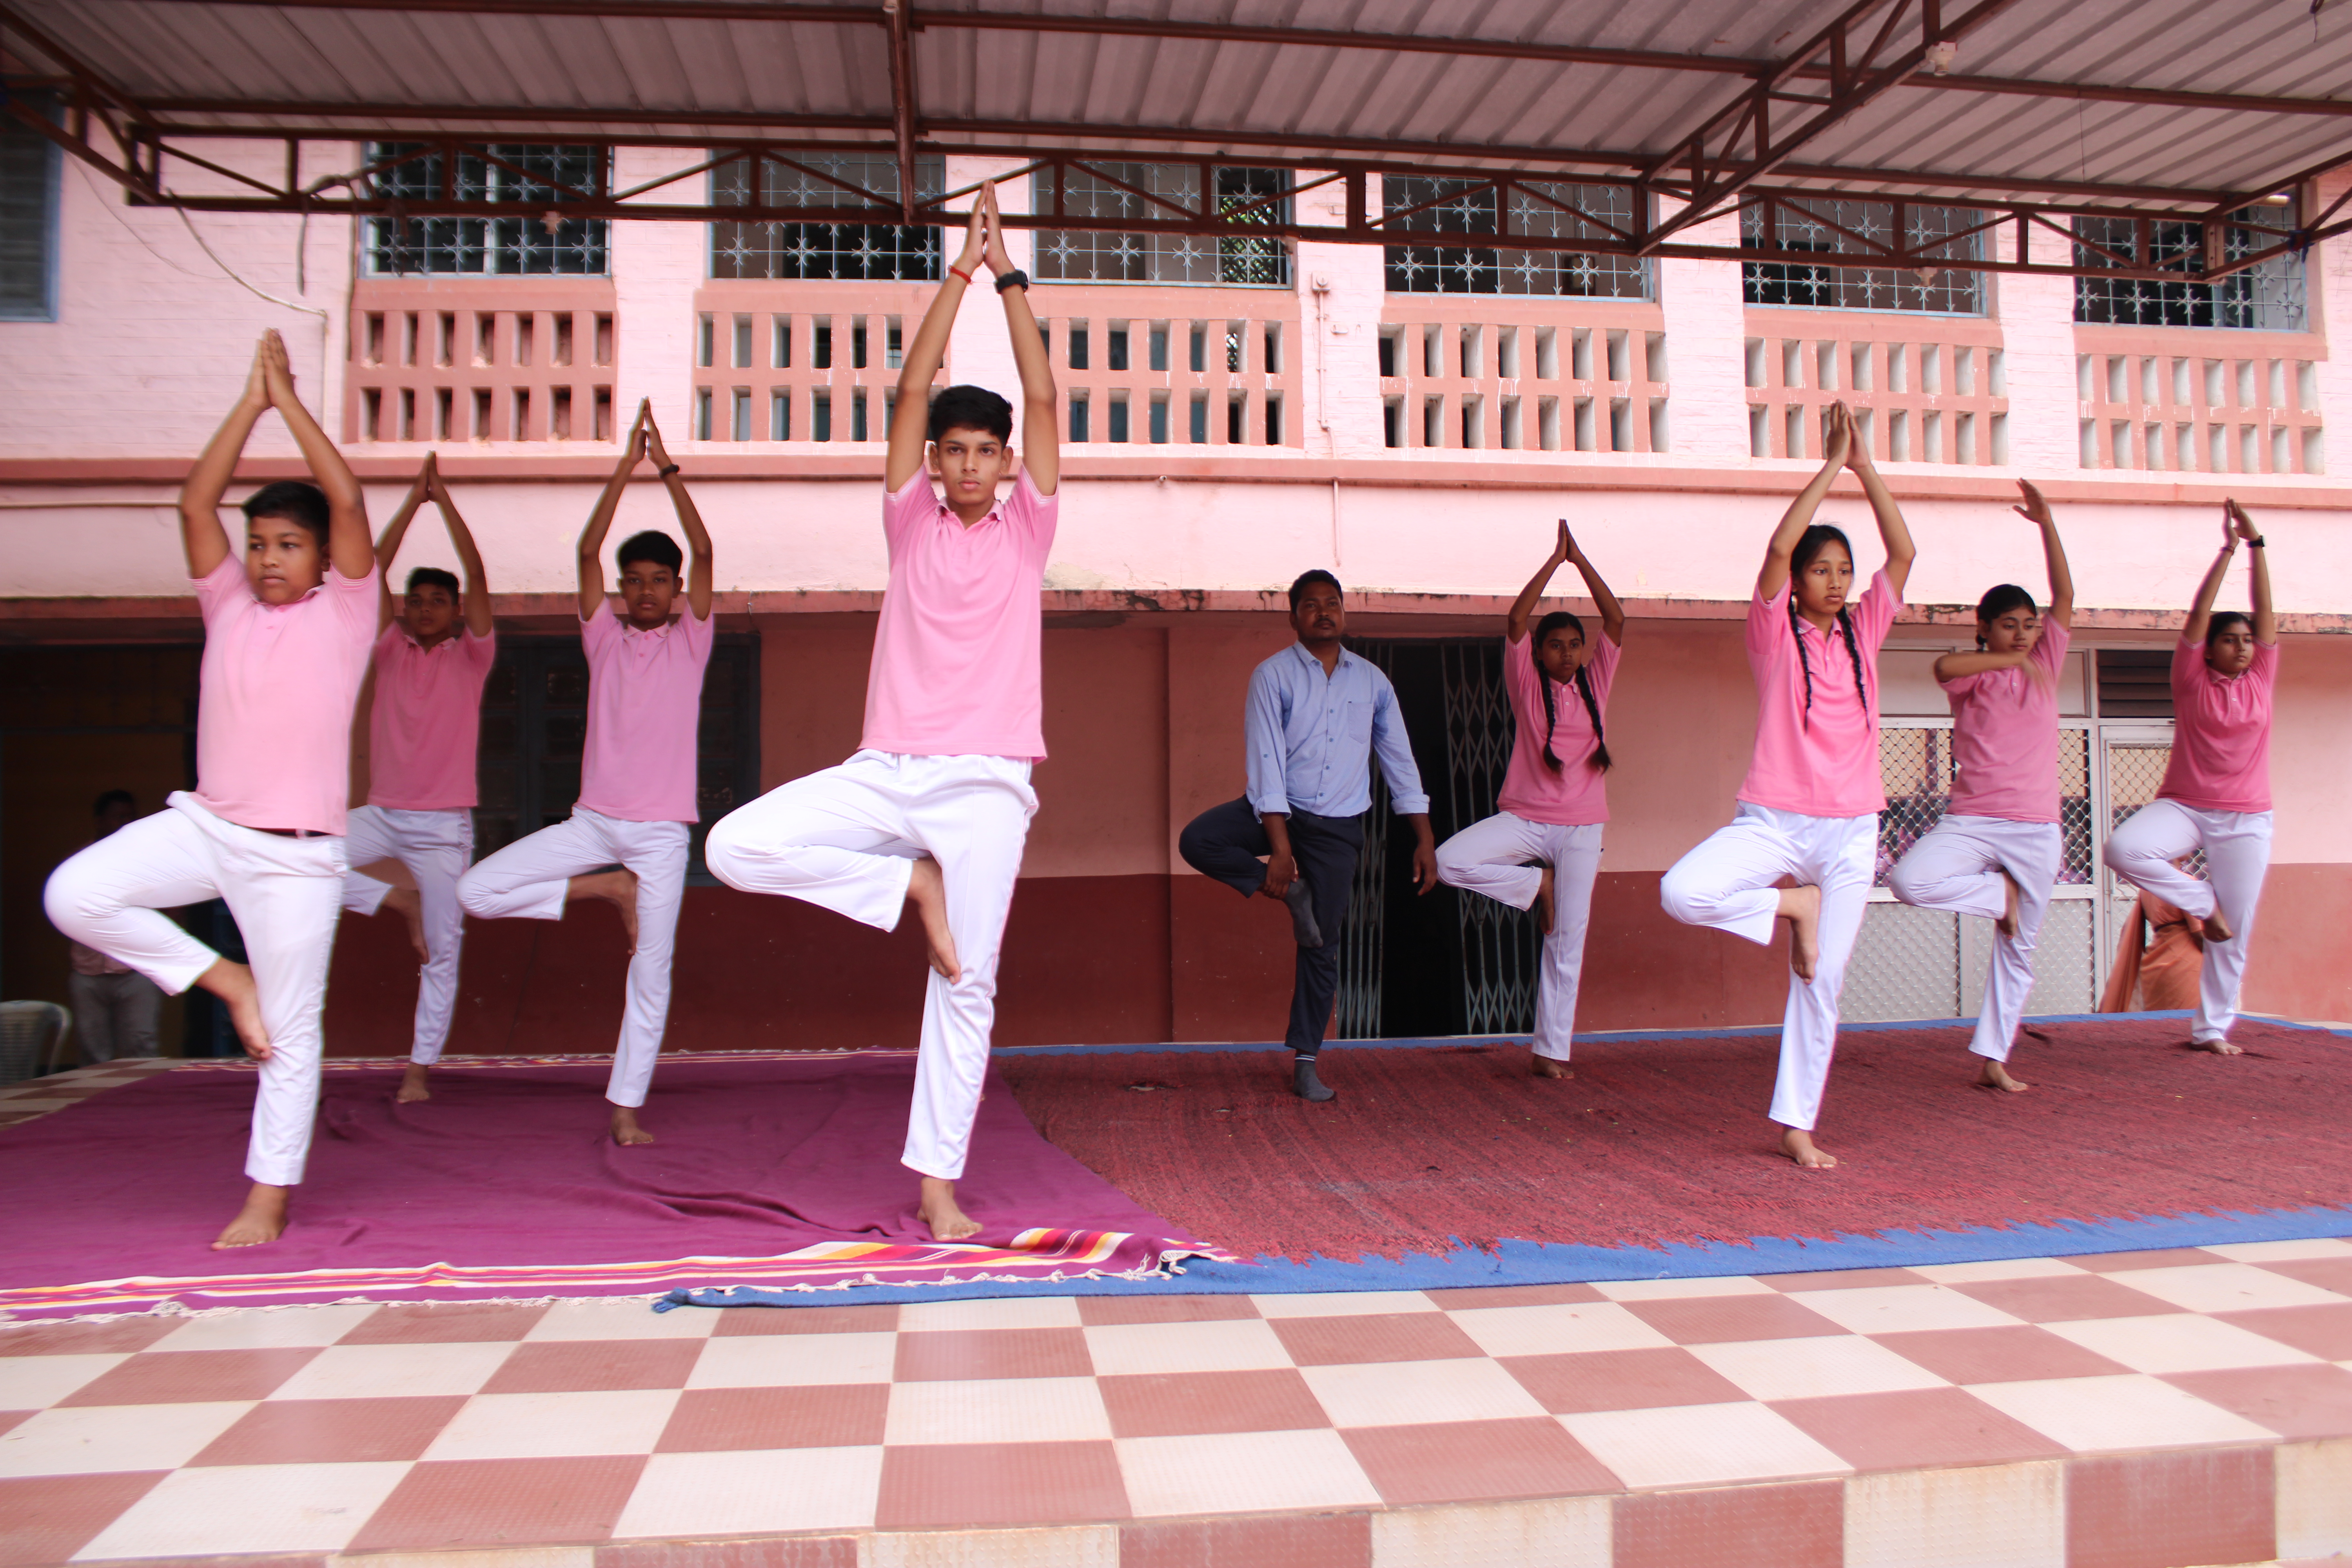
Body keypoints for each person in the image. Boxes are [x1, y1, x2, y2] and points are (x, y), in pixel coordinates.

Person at [702, 184, 1054, 1242]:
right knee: (731, 846)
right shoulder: (910, 524)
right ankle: (904, 884)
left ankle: (936, 1183)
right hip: (890, 770)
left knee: (967, 982)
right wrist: (956, 271)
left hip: (989, 781)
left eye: (982, 452)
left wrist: (1009, 277)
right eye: (951, 453)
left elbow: (1044, 396)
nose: (965, 466)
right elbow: (908, 391)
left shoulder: (1028, 529)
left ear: (1004, 462)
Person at [45, 330, 378, 1247]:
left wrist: (293, 406)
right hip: (207, 826)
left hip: (298, 861)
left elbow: (346, 497)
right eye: (259, 544)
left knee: (294, 1033)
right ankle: (221, 975)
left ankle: (267, 1196)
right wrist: (250, 402)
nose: (270, 559)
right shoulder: (226, 602)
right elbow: (195, 500)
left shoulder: (349, 612)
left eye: (289, 545)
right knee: (75, 892)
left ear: (322, 558)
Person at [1658, 401, 1914, 1169]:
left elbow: (1903, 552)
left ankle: (1798, 1122)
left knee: (1823, 981)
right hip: (1774, 819)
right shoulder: (1772, 634)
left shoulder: (1865, 631)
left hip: (1852, 828)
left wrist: (1866, 467)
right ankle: (1789, 905)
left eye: (1843, 571)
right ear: (1797, 582)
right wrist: (1830, 466)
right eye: (1821, 570)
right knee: (1682, 891)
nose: (1836, 582)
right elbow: (1776, 545)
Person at [456, 402, 714, 1142]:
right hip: (594, 824)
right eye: (633, 581)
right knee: (476, 892)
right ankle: (604, 888)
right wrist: (621, 470)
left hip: (663, 834)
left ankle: (626, 1107)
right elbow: (585, 553)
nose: (643, 593)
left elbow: (703, 547)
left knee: (652, 969)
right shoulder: (602, 638)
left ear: (675, 588)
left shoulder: (690, 642)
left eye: (658, 581)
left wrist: (663, 467)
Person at [1176, 569, 1438, 1104]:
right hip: (1277, 810)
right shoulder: (1272, 676)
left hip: (1340, 826)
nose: (1325, 612)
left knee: (1322, 942)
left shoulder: (1372, 682)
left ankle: (1306, 1062)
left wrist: (1425, 838)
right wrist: (1279, 852)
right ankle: (1291, 891)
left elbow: (1399, 761)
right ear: (1293, 616)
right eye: (1312, 605)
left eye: (1333, 603)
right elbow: (1266, 761)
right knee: (1198, 839)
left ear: (1345, 613)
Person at [1884, 480, 2074, 1092]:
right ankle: (2001, 899)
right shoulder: (1975, 673)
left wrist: (2046, 525)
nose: (2022, 635)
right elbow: (1943, 667)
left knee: (2020, 950)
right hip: (1973, 820)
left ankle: (1996, 1058)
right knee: (1910, 881)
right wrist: (2006, 659)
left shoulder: (2044, 668)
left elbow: (2066, 595)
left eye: (2029, 626)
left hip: (2037, 824)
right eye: (2009, 626)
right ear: (1985, 628)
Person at [1434, 521, 1624, 1080]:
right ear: (1539, 653)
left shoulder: (1598, 683)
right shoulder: (1526, 684)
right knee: (1450, 861)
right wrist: (1553, 562)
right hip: (1525, 820)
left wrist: (1581, 560)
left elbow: (1616, 620)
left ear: (1583, 652)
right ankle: (1533, 886)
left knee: (1568, 939)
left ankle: (1551, 1052)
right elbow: (1516, 620)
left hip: (1584, 828)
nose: (1566, 654)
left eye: (1573, 646)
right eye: (1555, 646)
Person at [339, 451, 495, 1104]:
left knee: (443, 949)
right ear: (404, 610)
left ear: (457, 611)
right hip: (380, 814)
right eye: (418, 601)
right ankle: (388, 899)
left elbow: (479, 575)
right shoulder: (386, 647)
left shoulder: (472, 657)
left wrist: (448, 505)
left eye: (440, 601)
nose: (426, 609)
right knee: (290, 859)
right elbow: (369, 567)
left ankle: (418, 1070)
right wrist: (414, 500)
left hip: (441, 829)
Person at [2100, 499, 2277, 1055]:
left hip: (2247, 816)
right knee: (2123, 848)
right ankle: (2203, 901)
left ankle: (2211, 1030)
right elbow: (2197, 620)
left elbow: (2267, 613)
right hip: (2185, 805)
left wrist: (2258, 546)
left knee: (2237, 933)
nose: (2244, 647)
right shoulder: (2191, 679)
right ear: (2210, 651)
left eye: (2248, 640)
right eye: (2231, 640)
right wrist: (2226, 552)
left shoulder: (2262, 678)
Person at [64, 791, 165, 1063]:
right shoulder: (79, 862)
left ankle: (145, 1104)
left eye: (130, 817)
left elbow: (169, 906)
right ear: (99, 821)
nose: (126, 822)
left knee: (142, 1044)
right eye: (119, 816)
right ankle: (96, 1106)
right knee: (93, 1050)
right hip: (88, 971)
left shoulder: (146, 862)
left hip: (135, 969)